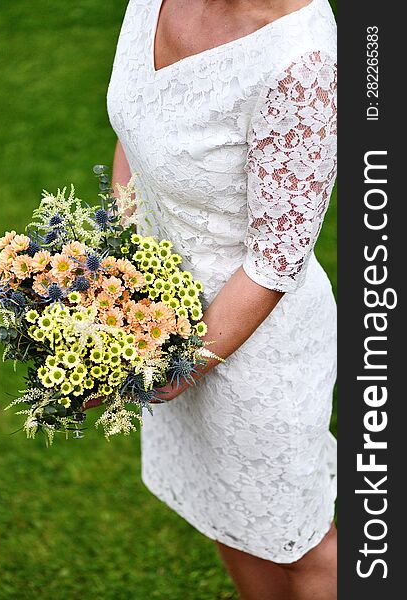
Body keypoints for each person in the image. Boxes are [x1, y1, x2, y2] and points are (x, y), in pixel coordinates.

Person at [103, 1, 337, 597]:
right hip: (160, 318)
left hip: (254, 350)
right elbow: (135, 129)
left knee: (298, 542)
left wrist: (175, 368)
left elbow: (273, 261)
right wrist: (115, 281)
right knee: (230, 513)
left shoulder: (299, 59)